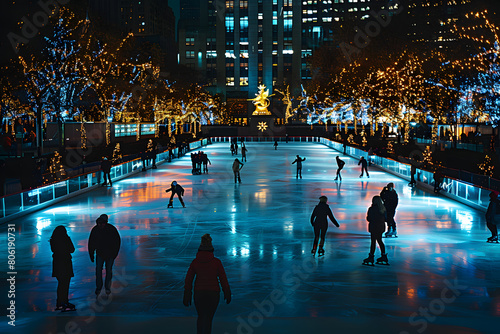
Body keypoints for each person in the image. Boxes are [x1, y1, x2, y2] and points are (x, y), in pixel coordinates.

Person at [184, 234, 231, 334]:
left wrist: (187, 293)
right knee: (208, 318)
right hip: (213, 294)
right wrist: (227, 291)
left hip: (199, 293)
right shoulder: (217, 262)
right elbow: (223, 278)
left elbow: (188, 279)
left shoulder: (195, 262)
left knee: (201, 317)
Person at [88, 214, 121, 295]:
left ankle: (105, 287)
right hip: (103, 254)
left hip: (108, 254)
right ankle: (103, 287)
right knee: (103, 270)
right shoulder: (109, 229)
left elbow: (117, 242)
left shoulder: (105, 229)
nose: (101, 225)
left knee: (104, 270)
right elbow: (91, 243)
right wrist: (91, 254)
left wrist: (114, 254)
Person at [50, 226, 76, 311]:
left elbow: (54, 250)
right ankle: (65, 302)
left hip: (57, 264)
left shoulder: (53, 240)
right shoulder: (66, 239)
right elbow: (72, 249)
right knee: (65, 284)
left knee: (61, 284)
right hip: (65, 264)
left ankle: (59, 302)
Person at [362, 196, 389, 266]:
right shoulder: (383, 209)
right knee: (379, 241)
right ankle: (383, 256)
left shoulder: (371, 209)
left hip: (374, 227)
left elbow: (369, 218)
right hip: (381, 227)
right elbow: (386, 219)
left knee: (373, 242)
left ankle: (371, 257)